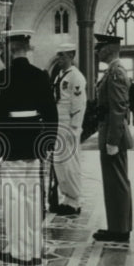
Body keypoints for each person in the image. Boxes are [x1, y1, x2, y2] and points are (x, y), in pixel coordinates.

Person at [0, 30, 58, 266]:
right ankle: (35, 246)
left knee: (14, 199)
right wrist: (48, 142)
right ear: (27, 49)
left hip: (11, 145)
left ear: (9, 49)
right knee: (32, 197)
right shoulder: (40, 75)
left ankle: (20, 251)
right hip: (34, 143)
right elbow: (51, 111)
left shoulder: (2, 76)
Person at [92, 34, 133, 244]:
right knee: (114, 182)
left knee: (116, 182)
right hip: (109, 130)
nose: (97, 50)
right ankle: (118, 226)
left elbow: (118, 107)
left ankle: (119, 230)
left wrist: (113, 140)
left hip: (112, 133)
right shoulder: (112, 71)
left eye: (100, 47)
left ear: (110, 48)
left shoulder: (116, 72)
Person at [50, 42, 86, 216]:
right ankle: (66, 198)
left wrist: (75, 127)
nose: (59, 59)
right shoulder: (60, 76)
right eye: (58, 55)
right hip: (58, 124)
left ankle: (75, 200)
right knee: (60, 163)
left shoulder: (76, 77)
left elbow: (79, 104)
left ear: (71, 56)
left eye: (63, 55)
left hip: (68, 124)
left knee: (70, 163)